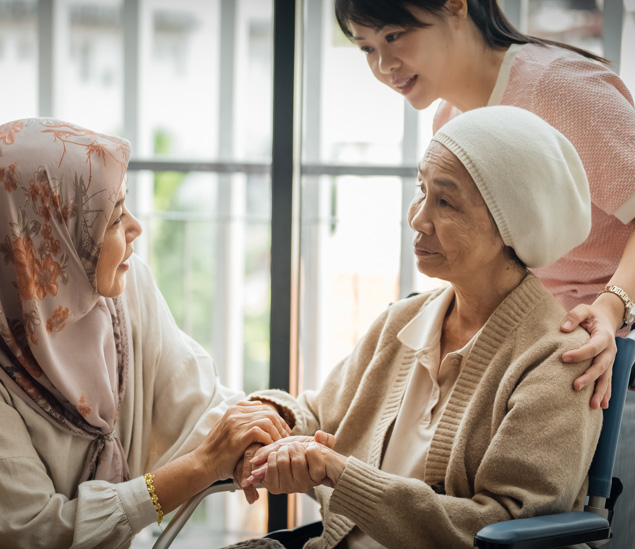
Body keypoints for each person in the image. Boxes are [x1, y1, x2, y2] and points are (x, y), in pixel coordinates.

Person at [334, 1, 635, 546]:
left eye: (394, 35)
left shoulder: (560, 88)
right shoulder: (452, 119)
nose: (383, 64)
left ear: (456, 5)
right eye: (366, 48)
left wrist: (613, 307)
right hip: (567, 330)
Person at [0, 118, 288, 549]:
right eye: (115, 216)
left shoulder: (123, 288)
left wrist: (265, 444)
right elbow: (32, 535)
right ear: (41, 241)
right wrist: (202, 466)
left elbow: (198, 403)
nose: (137, 228)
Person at [238, 106, 601, 549]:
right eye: (421, 190)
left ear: (511, 226)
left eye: (445, 202)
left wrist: (339, 472)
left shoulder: (560, 360)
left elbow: (503, 525)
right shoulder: (403, 322)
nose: (417, 218)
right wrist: (267, 424)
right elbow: (318, 415)